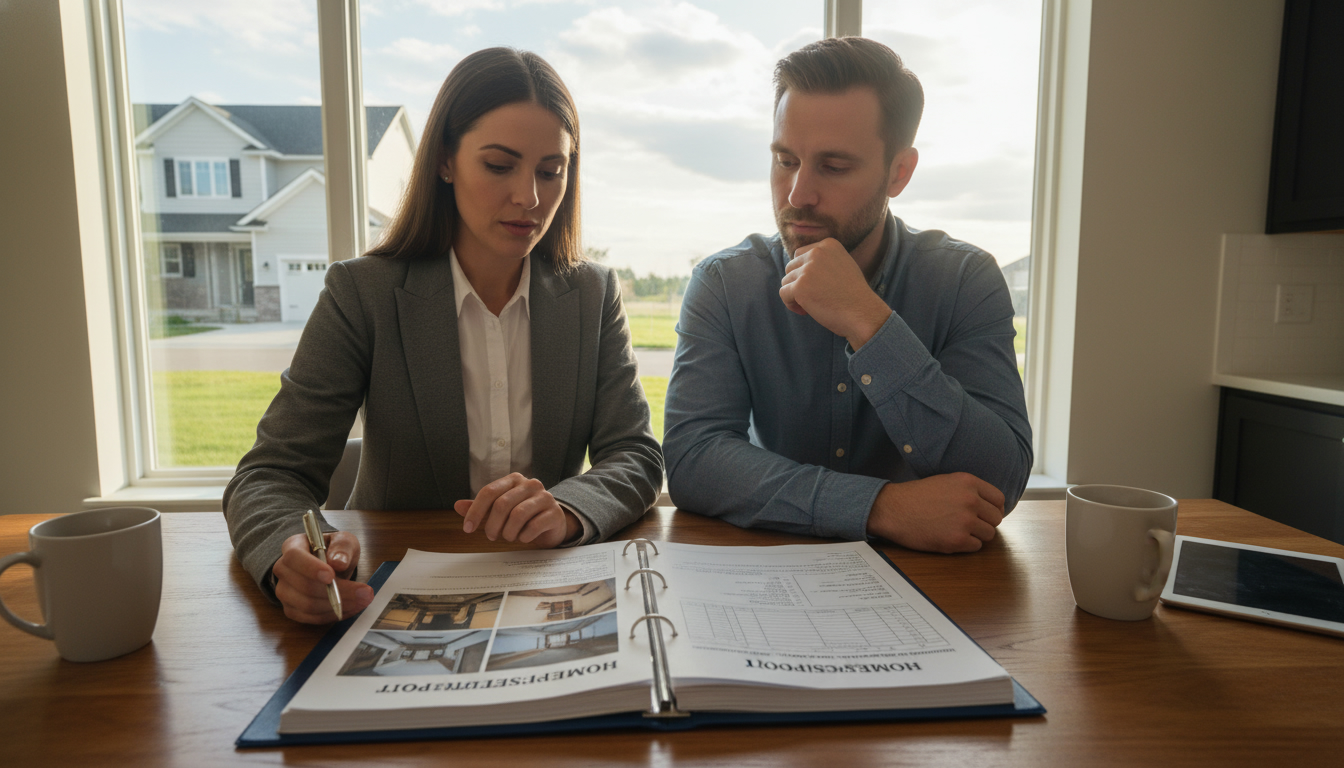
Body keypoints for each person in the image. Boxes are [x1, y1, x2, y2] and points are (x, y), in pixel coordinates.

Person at [223, 48, 663, 624]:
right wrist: (290, 554)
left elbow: (634, 453)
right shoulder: (363, 294)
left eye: (551, 171)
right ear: (446, 161)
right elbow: (269, 475)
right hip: (389, 595)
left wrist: (567, 508)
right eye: (500, 165)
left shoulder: (592, 294)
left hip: (548, 589)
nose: (529, 197)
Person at [663, 37, 1031, 554]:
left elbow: (999, 480)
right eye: (786, 160)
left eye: (833, 167)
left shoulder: (964, 280)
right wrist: (881, 508)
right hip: (768, 578)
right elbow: (693, 460)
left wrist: (868, 320)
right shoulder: (726, 284)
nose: (798, 195)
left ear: (898, 172)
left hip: (935, 589)